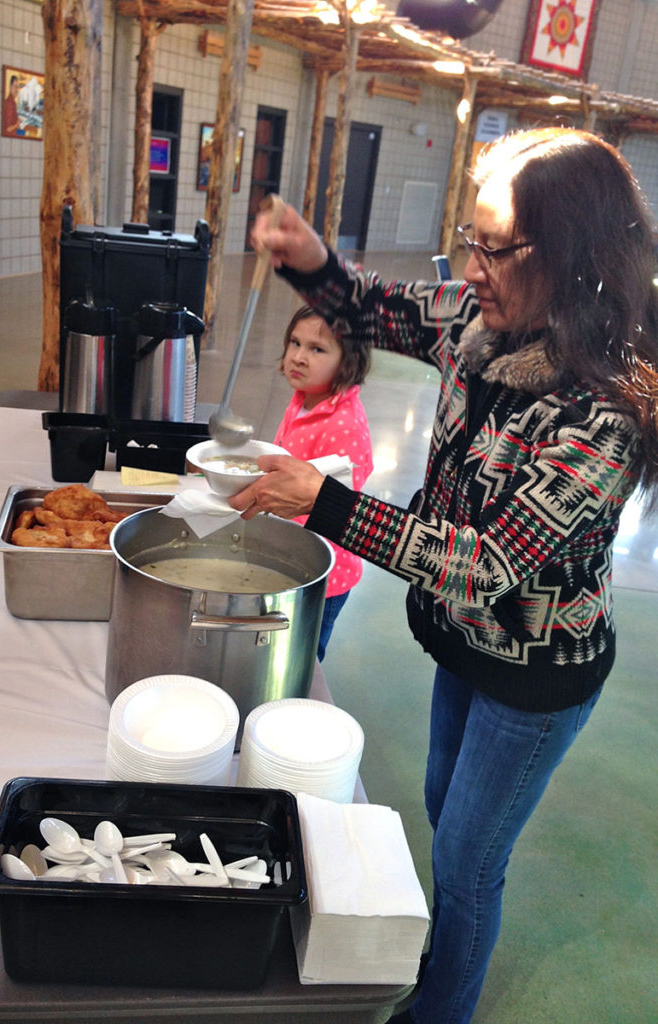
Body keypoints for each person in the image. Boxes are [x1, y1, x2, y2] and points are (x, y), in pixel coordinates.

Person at [228, 128, 658, 1024]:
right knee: (440, 802)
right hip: (464, 644)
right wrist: (314, 263)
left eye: (494, 248)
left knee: (468, 859)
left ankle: (441, 1009)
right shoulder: (484, 317)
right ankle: (447, 948)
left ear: (572, 253)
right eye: (469, 240)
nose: (471, 268)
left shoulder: (604, 410)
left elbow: (489, 563)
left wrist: (328, 502)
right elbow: (380, 309)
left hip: (539, 674)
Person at [274, 305, 374, 659]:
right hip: (292, 555)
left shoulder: (342, 427)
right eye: (295, 343)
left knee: (301, 656)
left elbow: (338, 505)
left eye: (317, 349)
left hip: (323, 573)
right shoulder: (303, 399)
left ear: (348, 360)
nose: (299, 357)